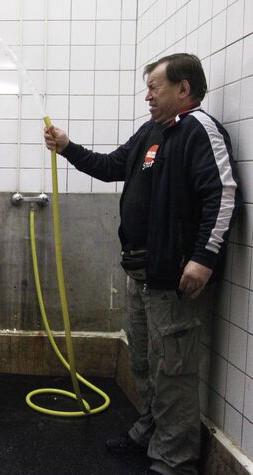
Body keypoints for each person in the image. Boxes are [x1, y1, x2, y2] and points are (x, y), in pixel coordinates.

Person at [44, 53, 239, 475]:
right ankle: (151, 431)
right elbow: (113, 166)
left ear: (183, 89)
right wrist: (68, 148)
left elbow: (222, 194)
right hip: (140, 274)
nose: (147, 95)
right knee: (144, 363)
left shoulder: (200, 131)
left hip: (172, 279)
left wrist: (204, 258)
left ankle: (175, 460)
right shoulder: (152, 132)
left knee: (174, 372)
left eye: (155, 87)